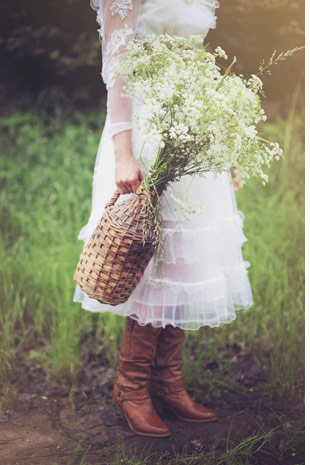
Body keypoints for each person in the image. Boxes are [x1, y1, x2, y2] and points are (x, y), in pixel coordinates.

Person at [74, 0, 253, 437]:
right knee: (153, 260)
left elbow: (198, 61)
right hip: (146, 123)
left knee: (185, 257)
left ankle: (167, 382)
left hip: (192, 123)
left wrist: (223, 142)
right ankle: (131, 389)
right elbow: (117, 57)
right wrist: (123, 151)